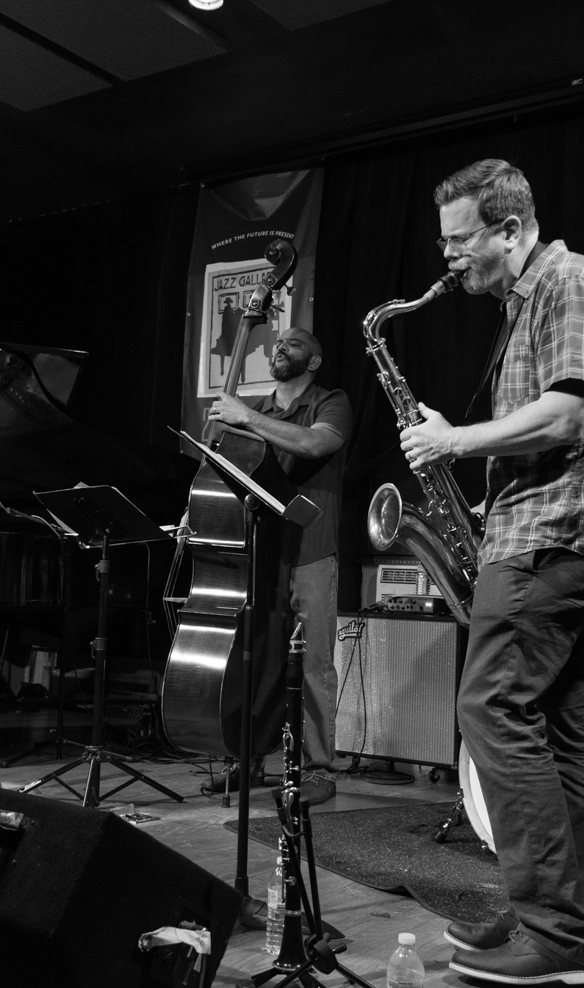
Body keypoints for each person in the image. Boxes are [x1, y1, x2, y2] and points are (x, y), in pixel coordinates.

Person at [400, 159, 584, 985]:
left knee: (491, 707)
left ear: (509, 228)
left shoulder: (570, 280)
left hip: (553, 533)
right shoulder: (527, 299)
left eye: (459, 240)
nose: (450, 259)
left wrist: (455, 440)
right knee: (555, 728)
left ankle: (559, 934)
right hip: (544, 529)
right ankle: (564, 920)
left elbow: (569, 412)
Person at [204, 326, 352, 808]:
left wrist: (245, 417)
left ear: (313, 361)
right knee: (256, 657)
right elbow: (221, 467)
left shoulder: (332, 402)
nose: (282, 345)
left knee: (313, 664)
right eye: (280, 340)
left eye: (295, 342)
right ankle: (249, 757)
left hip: (311, 548)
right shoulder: (256, 409)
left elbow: (313, 445)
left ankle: (319, 770)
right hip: (259, 551)